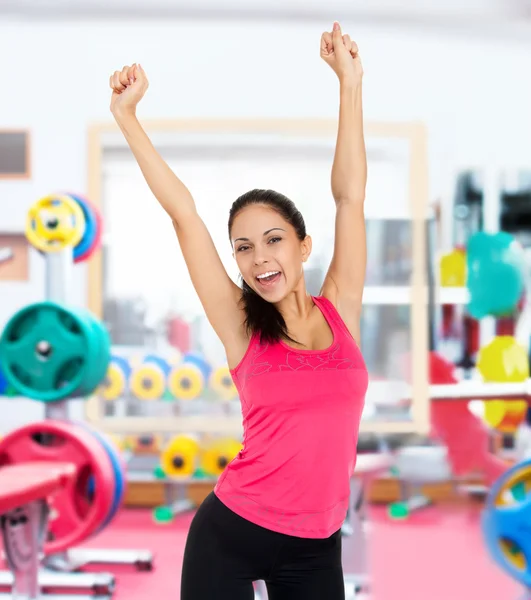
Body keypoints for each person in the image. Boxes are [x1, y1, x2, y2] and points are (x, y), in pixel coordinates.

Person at [109, 20, 368, 600]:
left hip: (317, 544)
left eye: (274, 240)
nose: (259, 259)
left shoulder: (341, 310)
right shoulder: (241, 324)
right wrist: (127, 118)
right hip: (232, 534)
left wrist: (349, 84)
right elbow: (184, 216)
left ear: (303, 246)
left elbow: (350, 196)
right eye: (244, 247)